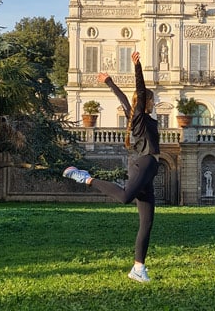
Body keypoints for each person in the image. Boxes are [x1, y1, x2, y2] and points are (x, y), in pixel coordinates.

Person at [63, 51, 160, 283]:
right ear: (146, 101)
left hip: (147, 168)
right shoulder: (138, 116)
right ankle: (85, 178)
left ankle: (138, 268)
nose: (154, 103)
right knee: (126, 197)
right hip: (144, 163)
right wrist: (138, 67)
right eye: (152, 100)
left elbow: (123, 99)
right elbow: (138, 90)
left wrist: (108, 81)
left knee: (146, 222)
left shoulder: (132, 115)